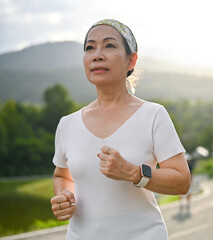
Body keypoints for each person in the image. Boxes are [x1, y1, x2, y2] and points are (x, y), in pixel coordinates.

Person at [50, 19, 191, 240]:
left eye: (109, 46)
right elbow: (62, 174)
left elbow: (182, 181)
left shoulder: (153, 115)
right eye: (89, 48)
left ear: (131, 60)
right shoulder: (67, 124)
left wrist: (134, 173)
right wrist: (64, 196)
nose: (97, 54)